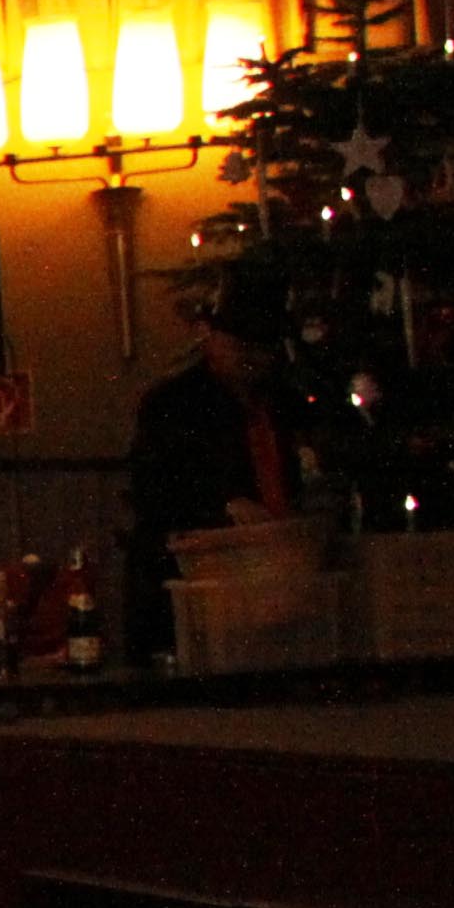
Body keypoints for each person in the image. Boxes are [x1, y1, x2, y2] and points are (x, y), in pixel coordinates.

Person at [126, 260, 310, 661]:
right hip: (202, 580)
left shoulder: (282, 403)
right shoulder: (173, 406)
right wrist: (225, 506)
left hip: (273, 575)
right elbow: (153, 488)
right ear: (210, 336)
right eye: (241, 344)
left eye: (262, 348)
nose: (251, 357)